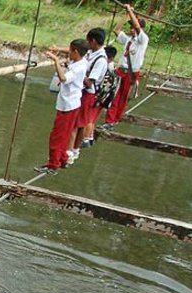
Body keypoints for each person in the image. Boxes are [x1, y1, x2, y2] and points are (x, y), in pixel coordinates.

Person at [35, 39, 89, 175]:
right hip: (72, 104)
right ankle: (63, 159)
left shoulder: (78, 67)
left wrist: (56, 61)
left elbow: (63, 78)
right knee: (64, 135)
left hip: (68, 106)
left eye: (70, 51)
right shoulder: (81, 60)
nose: (69, 53)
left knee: (57, 136)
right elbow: (72, 53)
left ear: (76, 52)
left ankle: (52, 165)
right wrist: (57, 49)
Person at [102, 4, 149, 129]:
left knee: (123, 97)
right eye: (131, 27)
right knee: (114, 94)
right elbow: (116, 30)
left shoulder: (143, 40)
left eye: (133, 27)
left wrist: (130, 11)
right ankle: (110, 120)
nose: (132, 29)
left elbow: (138, 28)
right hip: (120, 71)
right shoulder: (129, 40)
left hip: (131, 73)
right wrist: (126, 15)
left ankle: (114, 119)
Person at [67, 28, 108, 163]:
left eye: (88, 41)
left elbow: (90, 83)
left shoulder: (101, 60)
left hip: (88, 94)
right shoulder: (92, 52)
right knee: (78, 123)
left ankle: (72, 152)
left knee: (78, 124)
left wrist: (77, 72)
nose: (87, 44)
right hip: (83, 93)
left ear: (94, 41)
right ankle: (72, 150)